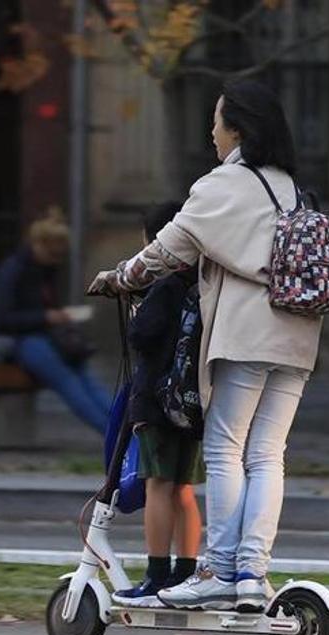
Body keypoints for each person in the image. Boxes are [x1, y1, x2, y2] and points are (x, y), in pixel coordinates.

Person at [89, 79, 323, 613]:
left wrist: (118, 278)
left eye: (216, 122)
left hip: (246, 335)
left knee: (225, 450)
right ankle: (250, 574)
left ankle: (218, 569)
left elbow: (165, 250)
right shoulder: (288, 185)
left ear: (237, 128)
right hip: (299, 334)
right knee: (268, 456)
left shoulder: (223, 186)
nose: (210, 132)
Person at [111, 201, 205, 608]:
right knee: (184, 489)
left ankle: (156, 574)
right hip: (191, 403)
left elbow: (142, 336)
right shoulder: (201, 283)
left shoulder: (164, 286)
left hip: (156, 402)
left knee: (157, 487)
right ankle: (187, 572)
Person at [0, 207, 110, 435]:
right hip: (21, 340)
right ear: (39, 245)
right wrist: (46, 316)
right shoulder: (13, 271)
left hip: (47, 336)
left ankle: (123, 432)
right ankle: (113, 436)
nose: (56, 260)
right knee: (68, 381)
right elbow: (1, 320)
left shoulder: (44, 271)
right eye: (53, 254)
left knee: (86, 376)